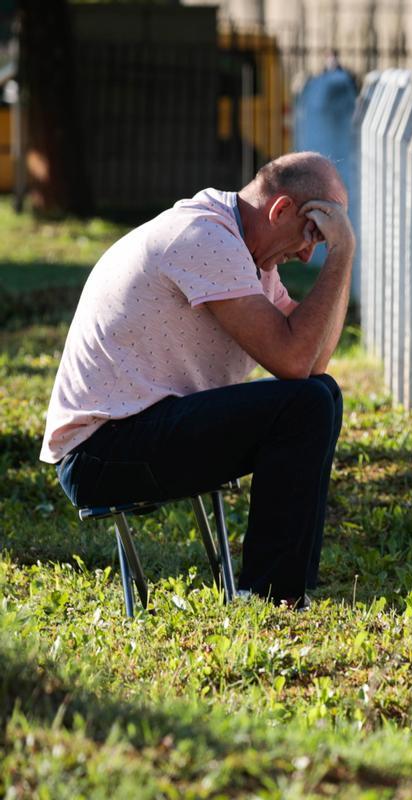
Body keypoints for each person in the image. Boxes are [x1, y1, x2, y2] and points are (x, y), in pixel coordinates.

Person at [40, 151, 355, 608]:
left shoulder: (248, 256)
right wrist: (343, 255)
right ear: (281, 209)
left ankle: (286, 589)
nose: (309, 253)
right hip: (100, 452)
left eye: (323, 242)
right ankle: (269, 595)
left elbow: (313, 363)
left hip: (138, 430)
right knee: (305, 404)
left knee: (321, 394)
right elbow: (292, 361)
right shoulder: (206, 238)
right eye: (313, 235)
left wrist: (339, 257)